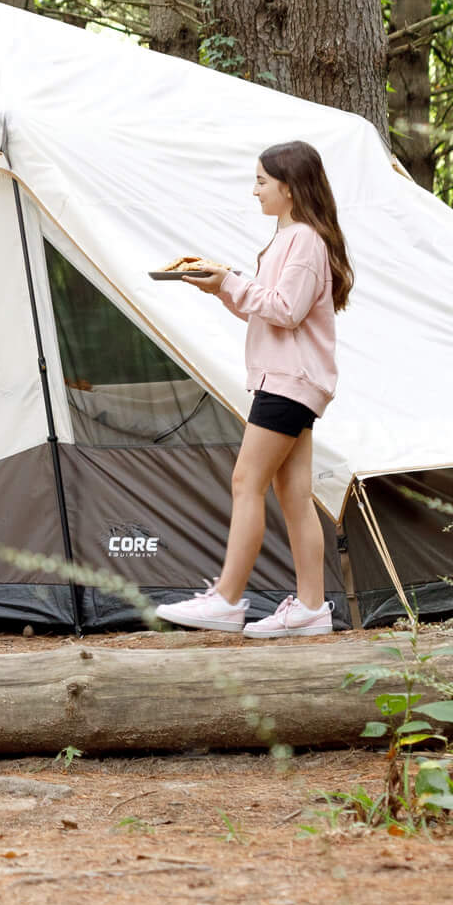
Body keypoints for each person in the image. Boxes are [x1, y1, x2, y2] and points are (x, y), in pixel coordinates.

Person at [154, 139, 351, 639]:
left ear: (289, 187)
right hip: (290, 379)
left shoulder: (304, 240)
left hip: (288, 381)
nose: (255, 190)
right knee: (294, 494)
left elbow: (285, 310)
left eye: (262, 181)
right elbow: (267, 306)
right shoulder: (290, 239)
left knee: (247, 482)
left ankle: (226, 599)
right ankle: (311, 608)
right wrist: (221, 284)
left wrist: (231, 281)